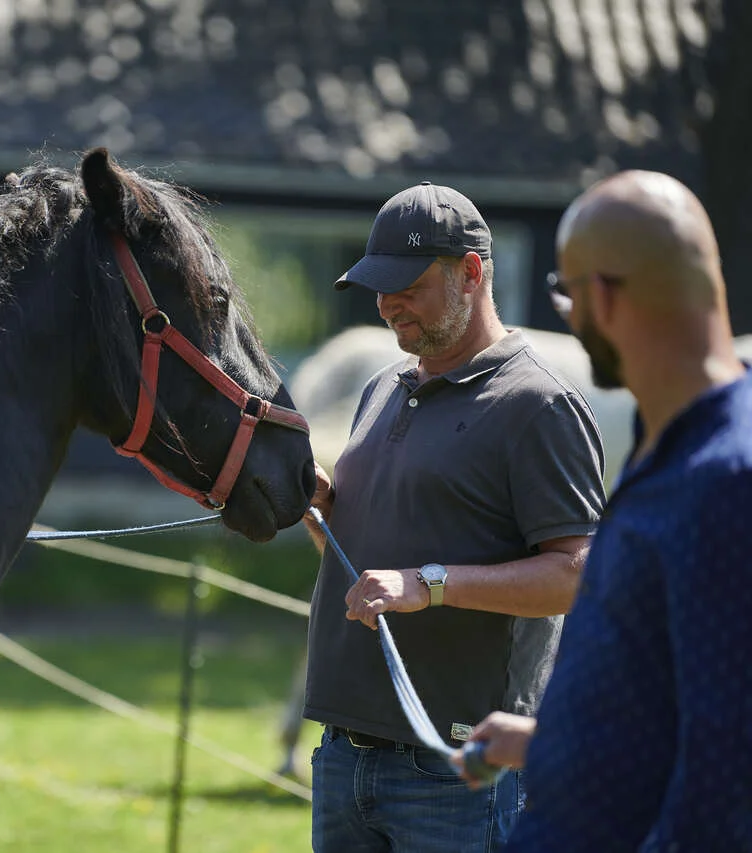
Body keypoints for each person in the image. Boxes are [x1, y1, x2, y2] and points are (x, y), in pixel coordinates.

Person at [301, 181, 607, 852]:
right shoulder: (384, 387)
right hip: (342, 751)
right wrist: (324, 512)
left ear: (471, 272)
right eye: (378, 287)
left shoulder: (539, 404)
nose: (387, 305)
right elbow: (373, 564)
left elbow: (578, 572)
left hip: (455, 771)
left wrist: (431, 582)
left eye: (406, 286)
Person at [453, 170, 752, 851]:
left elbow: (727, 779)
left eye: (566, 291)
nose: (567, 313)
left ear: (605, 297)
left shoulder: (727, 482)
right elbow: (675, 696)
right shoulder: (677, 445)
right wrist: (552, 739)